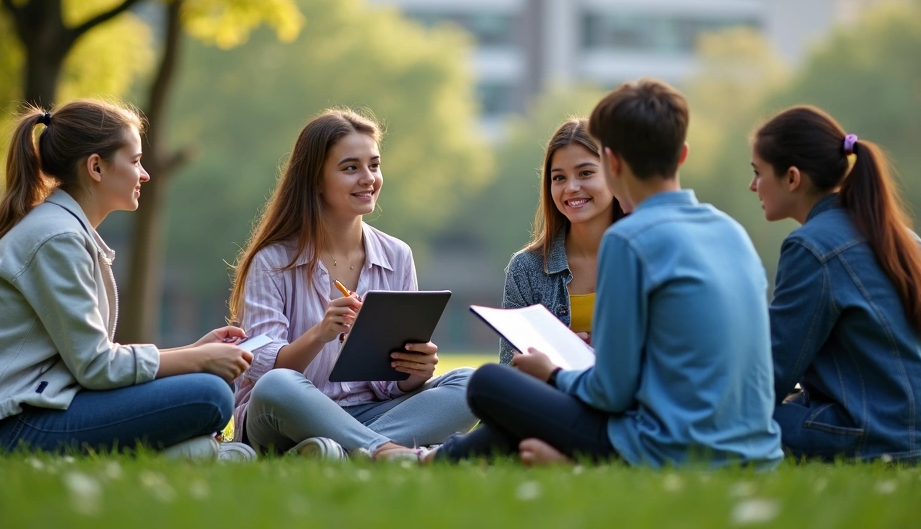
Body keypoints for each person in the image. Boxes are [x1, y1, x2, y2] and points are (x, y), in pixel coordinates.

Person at [427, 78, 783, 467]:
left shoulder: (628, 240)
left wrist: (554, 374)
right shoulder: (731, 231)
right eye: (558, 177)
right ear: (682, 155)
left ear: (611, 162)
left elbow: (612, 392)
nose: (570, 187)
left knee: (488, 384)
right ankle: (441, 459)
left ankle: (562, 460)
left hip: (669, 446)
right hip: (757, 447)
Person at [0, 100, 253, 459]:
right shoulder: (57, 238)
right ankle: (178, 453)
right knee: (211, 395)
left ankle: (185, 453)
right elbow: (96, 366)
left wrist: (195, 352)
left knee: (212, 387)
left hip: (30, 410)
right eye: (136, 161)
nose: (145, 174)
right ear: (96, 167)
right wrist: (197, 361)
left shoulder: (62, 230)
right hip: (4, 429)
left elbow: (90, 363)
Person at [230, 108, 476, 460]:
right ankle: (384, 450)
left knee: (470, 383)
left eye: (374, 165)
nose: (368, 178)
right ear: (315, 180)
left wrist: (415, 372)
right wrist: (321, 334)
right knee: (276, 385)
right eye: (351, 168)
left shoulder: (397, 256)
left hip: (370, 412)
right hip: (286, 413)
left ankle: (339, 451)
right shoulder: (272, 261)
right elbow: (263, 367)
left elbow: (392, 383)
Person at [749, 105, 921, 462]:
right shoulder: (912, 244)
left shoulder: (810, 247)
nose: (752, 185)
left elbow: (772, 374)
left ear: (792, 178)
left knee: (736, 415)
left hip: (873, 443)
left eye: (757, 172)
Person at [499, 118, 624, 364]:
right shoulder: (526, 268)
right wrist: (554, 361)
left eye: (585, 173)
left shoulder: (648, 258)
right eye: (559, 178)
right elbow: (509, 368)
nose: (571, 187)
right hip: (552, 397)